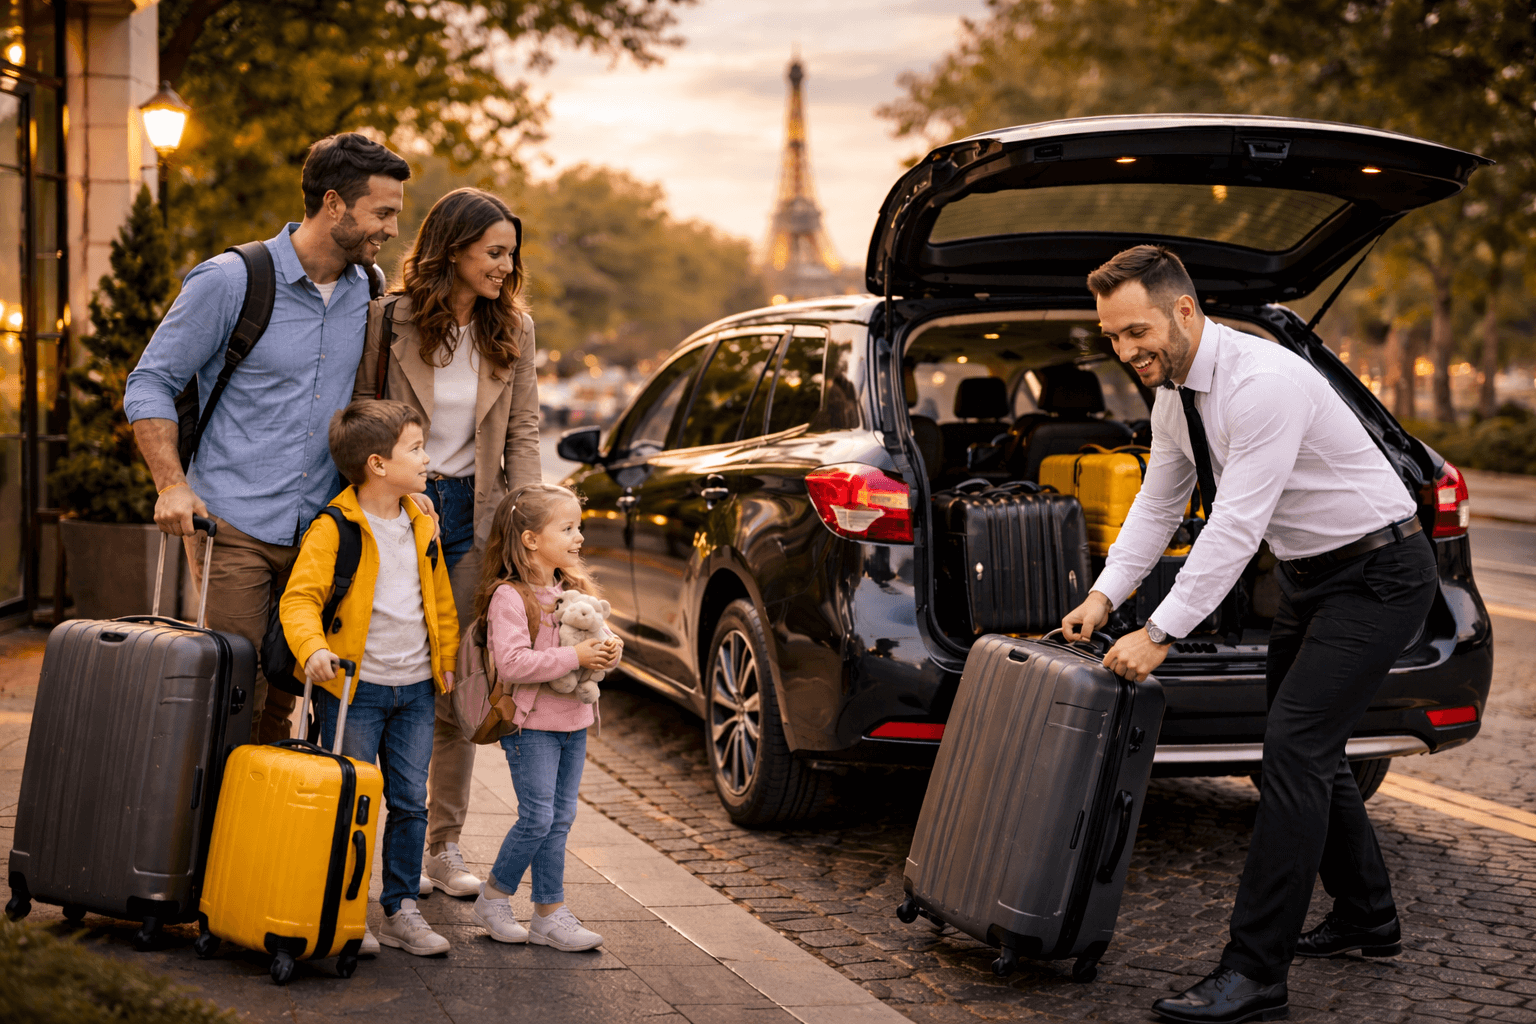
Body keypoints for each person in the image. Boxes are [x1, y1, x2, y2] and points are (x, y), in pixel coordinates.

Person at [1061, 245, 1436, 1024]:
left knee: (1293, 756)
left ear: (1184, 311)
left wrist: (1159, 631)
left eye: (1137, 331)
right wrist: (1103, 596)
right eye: (1113, 338)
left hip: (1378, 577)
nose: (1127, 351)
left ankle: (1255, 973)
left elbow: (1235, 525)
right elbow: (1160, 506)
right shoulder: (1174, 396)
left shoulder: (1261, 383)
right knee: (1305, 748)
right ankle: (1371, 916)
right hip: (1310, 579)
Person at [125, 132, 411, 743]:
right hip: (233, 526)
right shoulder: (231, 280)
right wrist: (171, 485)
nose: (389, 228)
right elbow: (150, 382)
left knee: (290, 694)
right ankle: (206, 832)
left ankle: (263, 828)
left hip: (322, 531)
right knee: (233, 693)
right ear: (334, 204)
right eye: (382, 213)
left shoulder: (370, 288)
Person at [353, 187, 542, 900]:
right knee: (382, 677)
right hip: (398, 510)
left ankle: (443, 846)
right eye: (493, 252)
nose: (504, 266)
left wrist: (524, 535)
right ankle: (368, 842)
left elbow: (522, 432)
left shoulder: (514, 329)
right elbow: (359, 416)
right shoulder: (387, 321)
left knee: (458, 685)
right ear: (453, 249)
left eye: (509, 255)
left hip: (477, 516)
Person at [280, 399, 460, 957]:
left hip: (415, 691)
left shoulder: (421, 521)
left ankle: (403, 908)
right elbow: (299, 600)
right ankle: (345, 909)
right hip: (353, 692)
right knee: (353, 800)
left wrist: (447, 659)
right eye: (415, 447)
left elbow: (440, 599)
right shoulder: (335, 527)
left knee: (410, 801)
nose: (428, 457)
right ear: (378, 464)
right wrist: (311, 650)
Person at [466, 484, 621, 951]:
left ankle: (549, 913)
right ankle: (494, 898)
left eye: (580, 526)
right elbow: (512, 664)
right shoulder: (509, 598)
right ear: (531, 539)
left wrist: (609, 651)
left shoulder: (573, 588)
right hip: (531, 727)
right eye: (567, 527)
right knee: (537, 818)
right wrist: (575, 656)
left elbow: (602, 639)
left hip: (574, 724)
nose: (578, 536)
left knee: (561, 819)